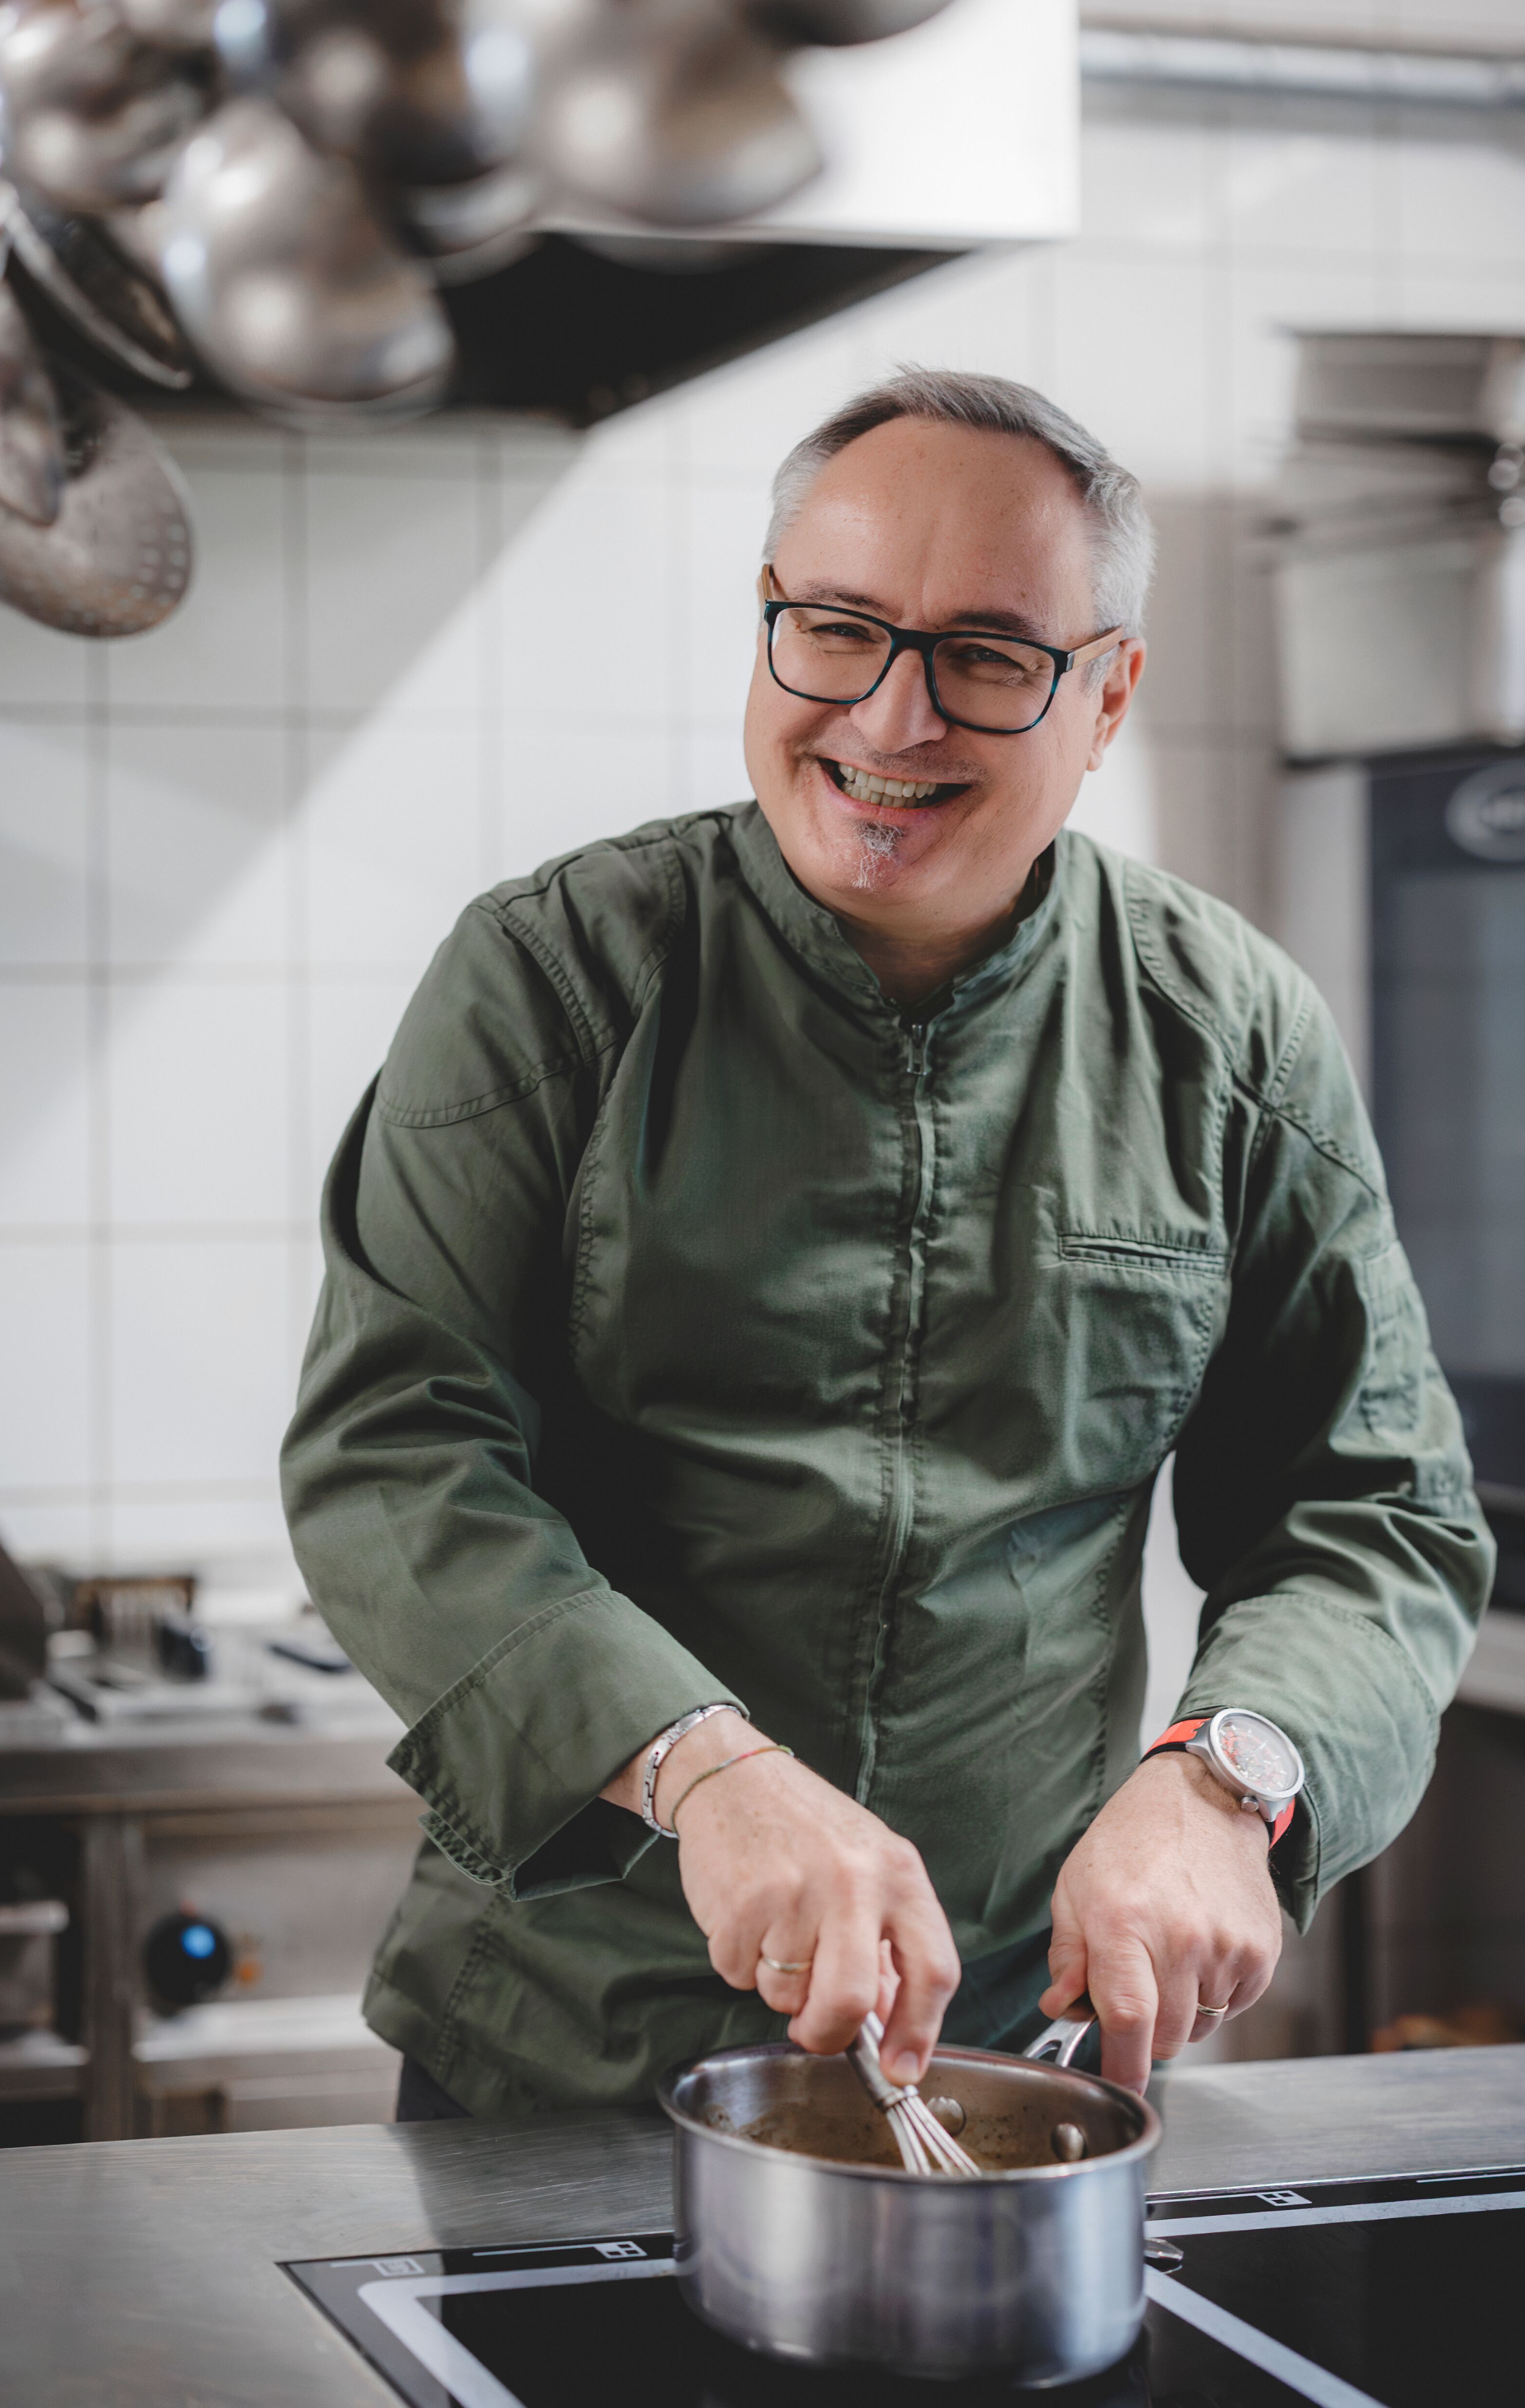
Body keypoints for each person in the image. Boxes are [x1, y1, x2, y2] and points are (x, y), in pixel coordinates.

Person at [281, 369, 1492, 2116]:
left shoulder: (1229, 1036)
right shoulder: (553, 978)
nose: (890, 715)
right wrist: (700, 1767)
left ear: (1108, 694)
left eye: (985, 656)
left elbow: (1367, 1509)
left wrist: (1228, 1782)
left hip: (1016, 2056)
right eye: (837, 630)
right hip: (558, 2054)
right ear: (768, 624)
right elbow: (394, 1451)